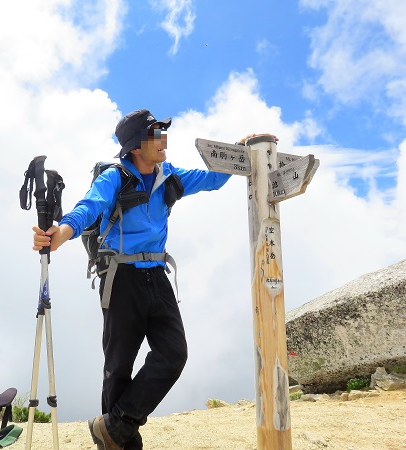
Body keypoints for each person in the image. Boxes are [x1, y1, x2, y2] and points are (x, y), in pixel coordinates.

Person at [33, 109, 262, 449]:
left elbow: (212, 178)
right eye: (155, 134)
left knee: (173, 355)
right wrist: (60, 234)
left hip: (157, 276)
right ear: (136, 146)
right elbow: (89, 208)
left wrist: (237, 150)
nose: (163, 139)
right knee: (118, 368)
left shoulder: (168, 175)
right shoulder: (114, 177)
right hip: (121, 278)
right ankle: (120, 440)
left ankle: (115, 426)